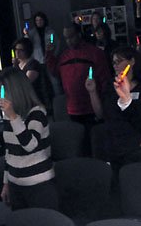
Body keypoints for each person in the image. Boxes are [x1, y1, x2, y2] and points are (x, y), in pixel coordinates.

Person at [86, 46, 141, 170]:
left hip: (138, 148)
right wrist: (92, 92)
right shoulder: (110, 86)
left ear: (132, 61)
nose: (115, 65)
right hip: (114, 146)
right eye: (113, 62)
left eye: (119, 61)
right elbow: (101, 114)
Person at [0, 68, 57, 211]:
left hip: (39, 183)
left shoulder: (37, 112)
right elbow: (9, 151)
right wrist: (6, 183)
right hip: (15, 182)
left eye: (0, 90)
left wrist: (13, 117)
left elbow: (30, 145)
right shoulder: (8, 115)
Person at [45, 22, 110, 152]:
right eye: (66, 38)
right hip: (73, 108)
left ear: (79, 35)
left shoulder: (94, 53)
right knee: (79, 145)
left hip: (92, 107)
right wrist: (49, 55)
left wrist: (105, 101)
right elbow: (56, 72)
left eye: (71, 37)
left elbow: (105, 78)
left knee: (96, 145)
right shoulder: (64, 56)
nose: (68, 41)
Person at [12, 38, 52, 113]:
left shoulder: (33, 64)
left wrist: (16, 67)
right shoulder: (18, 64)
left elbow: (26, 82)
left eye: (21, 50)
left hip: (35, 100)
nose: (17, 52)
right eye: (16, 49)